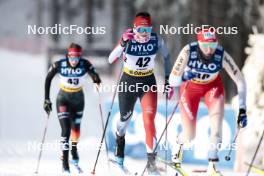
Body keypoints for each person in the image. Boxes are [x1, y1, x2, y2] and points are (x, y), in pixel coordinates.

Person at [169, 28, 247, 175]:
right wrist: (184, 76)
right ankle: (178, 145)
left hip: (213, 88)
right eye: (205, 46)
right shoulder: (188, 51)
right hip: (190, 89)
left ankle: (212, 164)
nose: (210, 50)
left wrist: (242, 108)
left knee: (217, 127)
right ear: (198, 44)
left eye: (213, 45)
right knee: (189, 135)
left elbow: (240, 80)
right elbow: (173, 80)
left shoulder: (221, 54)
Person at [108, 12, 171, 174]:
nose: (144, 35)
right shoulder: (128, 39)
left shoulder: (156, 40)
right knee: (124, 120)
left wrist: (168, 79)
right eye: (141, 31)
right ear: (134, 29)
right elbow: (111, 59)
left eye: (147, 30)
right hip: (128, 82)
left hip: (148, 82)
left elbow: (167, 56)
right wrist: (122, 43)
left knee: (149, 120)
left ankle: (151, 164)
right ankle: (119, 139)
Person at [43, 43, 101, 173]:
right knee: (66, 130)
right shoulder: (59, 64)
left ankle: (73, 149)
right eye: (71, 57)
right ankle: (65, 165)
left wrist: (96, 81)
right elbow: (48, 79)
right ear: (67, 56)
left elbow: (95, 76)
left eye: (76, 58)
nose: (74, 61)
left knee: (76, 129)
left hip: (78, 99)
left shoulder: (85, 64)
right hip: (63, 98)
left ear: (80, 57)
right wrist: (47, 99)